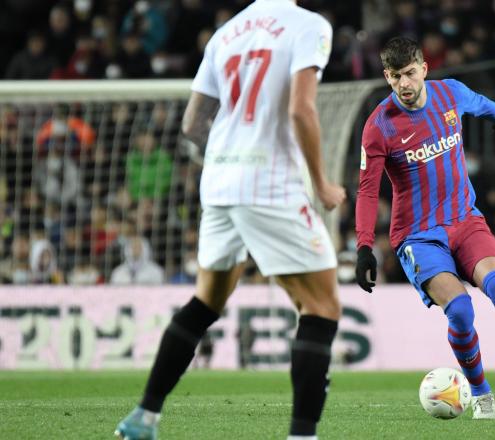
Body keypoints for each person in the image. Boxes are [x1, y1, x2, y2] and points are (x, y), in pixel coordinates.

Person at [115, 1, 344, 439]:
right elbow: (301, 109)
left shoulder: (227, 32)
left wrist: (230, 151)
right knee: (323, 306)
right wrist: (321, 183)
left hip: (218, 181)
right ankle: (303, 435)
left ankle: (143, 418)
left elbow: (191, 122)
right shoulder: (309, 25)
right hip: (269, 181)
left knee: (206, 302)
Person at [354, 37, 495, 420]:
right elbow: (367, 192)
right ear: (387, 76)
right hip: (418, 235)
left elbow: (483, 105)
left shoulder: (451, 94)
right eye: (395, 76)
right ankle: (482, 395)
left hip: (465, 219)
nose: (404, 84)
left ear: (424, 68)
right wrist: (364, 246)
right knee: (462, 311)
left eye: (410, 73)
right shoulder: (378, 126)